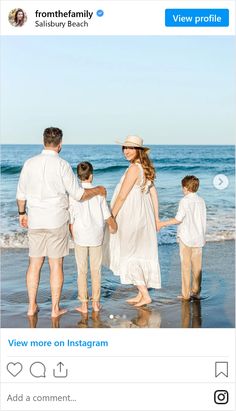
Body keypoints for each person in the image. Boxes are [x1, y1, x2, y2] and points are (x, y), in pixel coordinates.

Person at [16, 127, 106, 318]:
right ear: (60, 144)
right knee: (56, 265)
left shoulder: (29, 163)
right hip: (56, 220)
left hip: (36, 220)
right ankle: (55, 309)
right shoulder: (62, 165)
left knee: (34, 264)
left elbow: (21, 194)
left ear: (43, 141)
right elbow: (79, 195)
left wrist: (22, 213)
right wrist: (97, 190)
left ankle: (32, 306)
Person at [103, 135, 161, 307]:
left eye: (130, 148)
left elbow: (122, 196)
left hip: (130, 216)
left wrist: (110, 216)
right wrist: (156, 218)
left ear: (139, 151)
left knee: (129, 253)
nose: (126, 151)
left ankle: (145, 294)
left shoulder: (134, 169)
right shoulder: (144, 168)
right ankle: (140, 293)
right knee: (137, 252)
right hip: (143, 217)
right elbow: (153, 194)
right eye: (124, 148)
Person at [69, 162, 117, 314]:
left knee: (81, 270)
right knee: (96, 270)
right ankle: (96, 304)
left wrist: (72, 233)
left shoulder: (73, 195)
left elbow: (71, 218)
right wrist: (113, 226)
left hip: (80, 236)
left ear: (78, 176)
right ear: (92, 176)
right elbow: (106, 214)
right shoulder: (100, 193)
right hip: (96, 236)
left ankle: (84, 306)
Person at [157, 175, 206, 301]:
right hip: (199, 238)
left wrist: (162, 224)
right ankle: (196, 292)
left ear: (185, 188)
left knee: (186, 267)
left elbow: (178, 219)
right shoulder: (201, 200)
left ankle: (185, 295)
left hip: (186, 238)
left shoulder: (184, 201)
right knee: (197, 268)